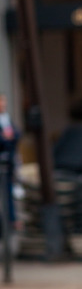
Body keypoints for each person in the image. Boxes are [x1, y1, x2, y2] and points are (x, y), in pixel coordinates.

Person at [0, 95, 20, 226]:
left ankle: (11, 219)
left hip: (9, 161)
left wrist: (11, 136)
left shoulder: (7, 118)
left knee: (9, 192)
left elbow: (17, 133)